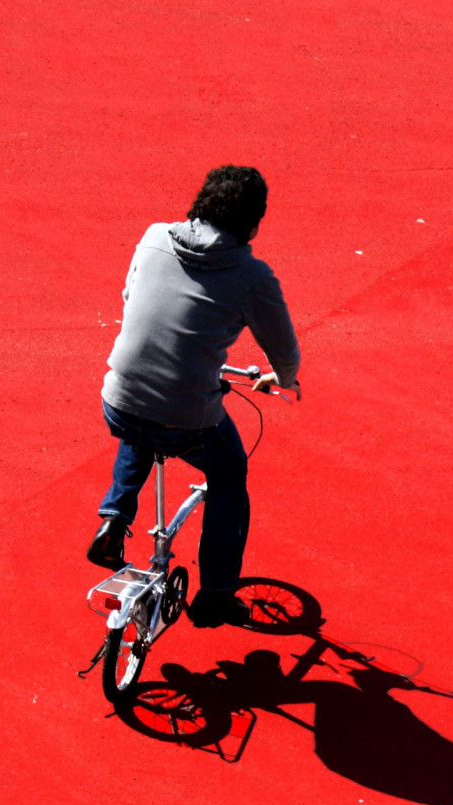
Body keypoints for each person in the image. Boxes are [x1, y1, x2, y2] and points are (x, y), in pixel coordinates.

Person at [88, 165, 301, 628]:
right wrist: (285, 377)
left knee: (142, 421)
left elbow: (131, 297)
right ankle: (217, 594)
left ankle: (114, 517)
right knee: (229, 474)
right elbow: (284, 350)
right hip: (185, 414)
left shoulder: (153, 237)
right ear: (253, 222)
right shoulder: (252, 275)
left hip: (120, 396)